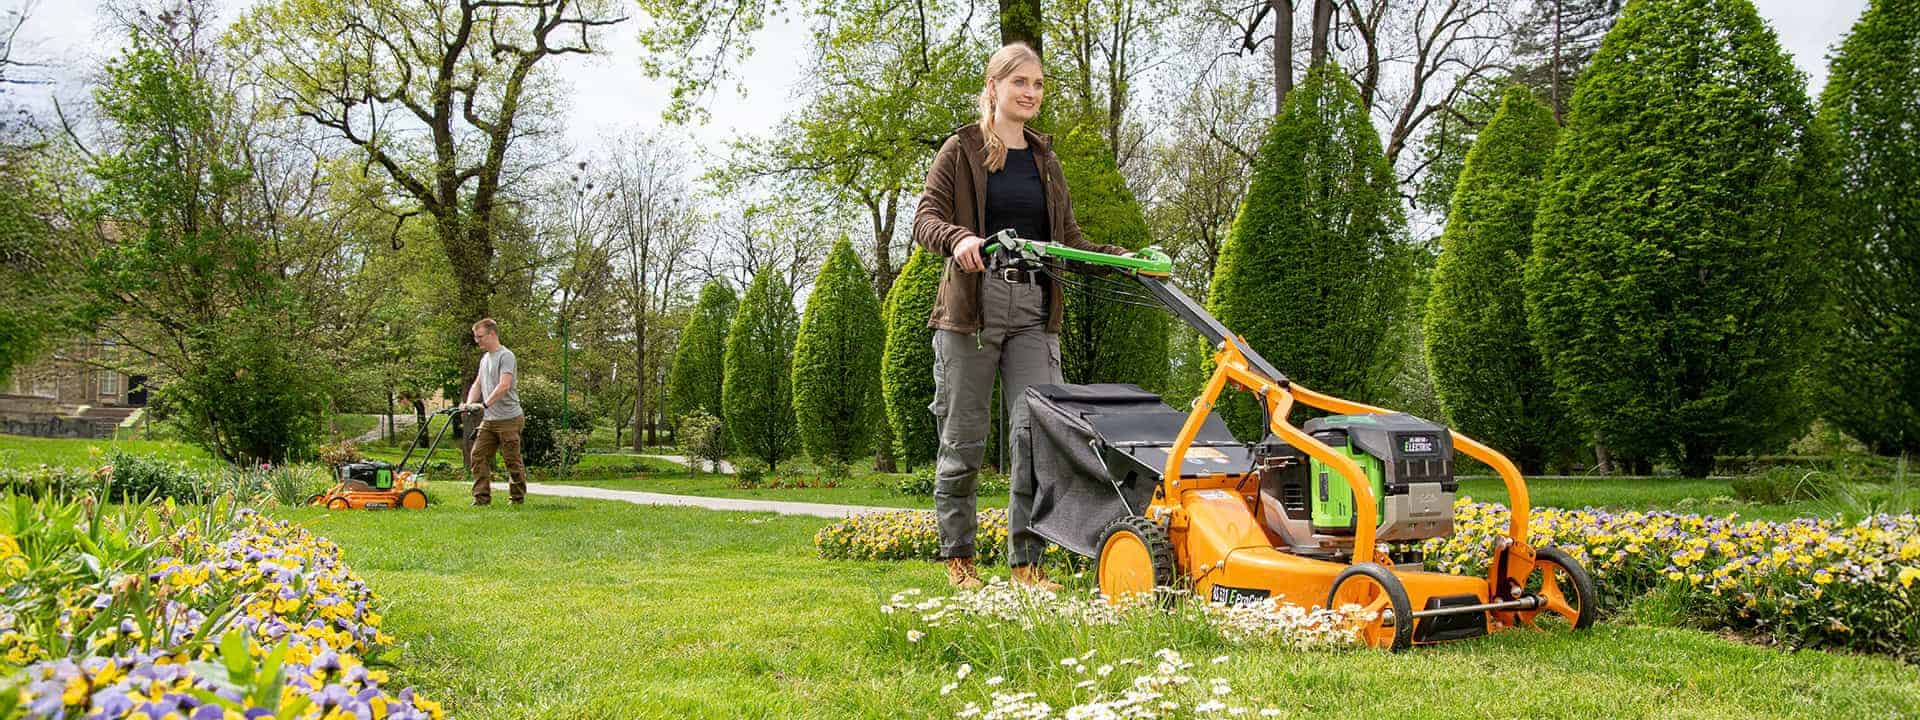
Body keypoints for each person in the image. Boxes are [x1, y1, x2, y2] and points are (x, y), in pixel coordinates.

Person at [911, 42, 1133, 591]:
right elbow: (926, 219)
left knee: (1036, 439)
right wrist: (959, 238)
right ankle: (959, 560)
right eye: (1020, 82)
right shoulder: (960, 150)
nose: (1031, 93)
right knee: (963, 440)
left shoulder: (1045, 161)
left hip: (1034, 310)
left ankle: (1026, 565)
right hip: (972, 313)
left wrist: (1122, 259)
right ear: (994, 87)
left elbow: (1069, 241)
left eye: (1038, 84)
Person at [461, 318, 525, 506]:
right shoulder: (485, 359)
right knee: (478, 455)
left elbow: (504, 385)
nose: (477, 341)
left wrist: (484, 404)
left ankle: (517, 498)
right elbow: (478, 384)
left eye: (480, 336)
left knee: (511, 460)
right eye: (475, 337)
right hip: (490, 419)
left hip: (509, 418)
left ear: (492, 334)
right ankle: (481, 499)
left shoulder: (506, 356)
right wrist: (469, 403)